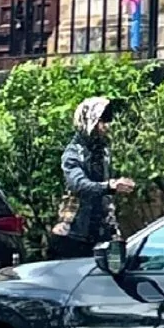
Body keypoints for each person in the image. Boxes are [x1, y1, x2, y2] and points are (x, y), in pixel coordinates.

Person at [53, 93, 122, 256]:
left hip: (101, 228)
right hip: (74, 230)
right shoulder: (73, 153)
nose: (106, 126)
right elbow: (78, 184)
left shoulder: (103, 151)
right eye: (101, 120)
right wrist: (109, 186)